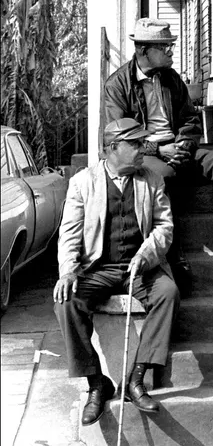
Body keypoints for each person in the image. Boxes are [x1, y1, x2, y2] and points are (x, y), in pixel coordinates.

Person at [104, 18, 213, 293]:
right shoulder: (118, 85)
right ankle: (174, 254)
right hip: (145, 152)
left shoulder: (171, 78)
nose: (171, 52)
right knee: (164, 175)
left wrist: (184, 144)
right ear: (143, 50)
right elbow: (120, 135)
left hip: (177, 146)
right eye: (164, 47)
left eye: (170, 46)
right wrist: (157, 149)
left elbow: (189, 118)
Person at [53, 118, 180, 426]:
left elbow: (164, 227)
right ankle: (97, 384)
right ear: (113, 148)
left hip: (141, 268)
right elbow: (69, 234)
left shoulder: (151, 180)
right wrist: (68, 271)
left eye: (142, 143)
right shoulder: (83, 182)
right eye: (134, 144)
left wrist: (146, 254)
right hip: (99, 268)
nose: (142, 149)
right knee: (66, 300)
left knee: (168, 292)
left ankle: (136, 379)